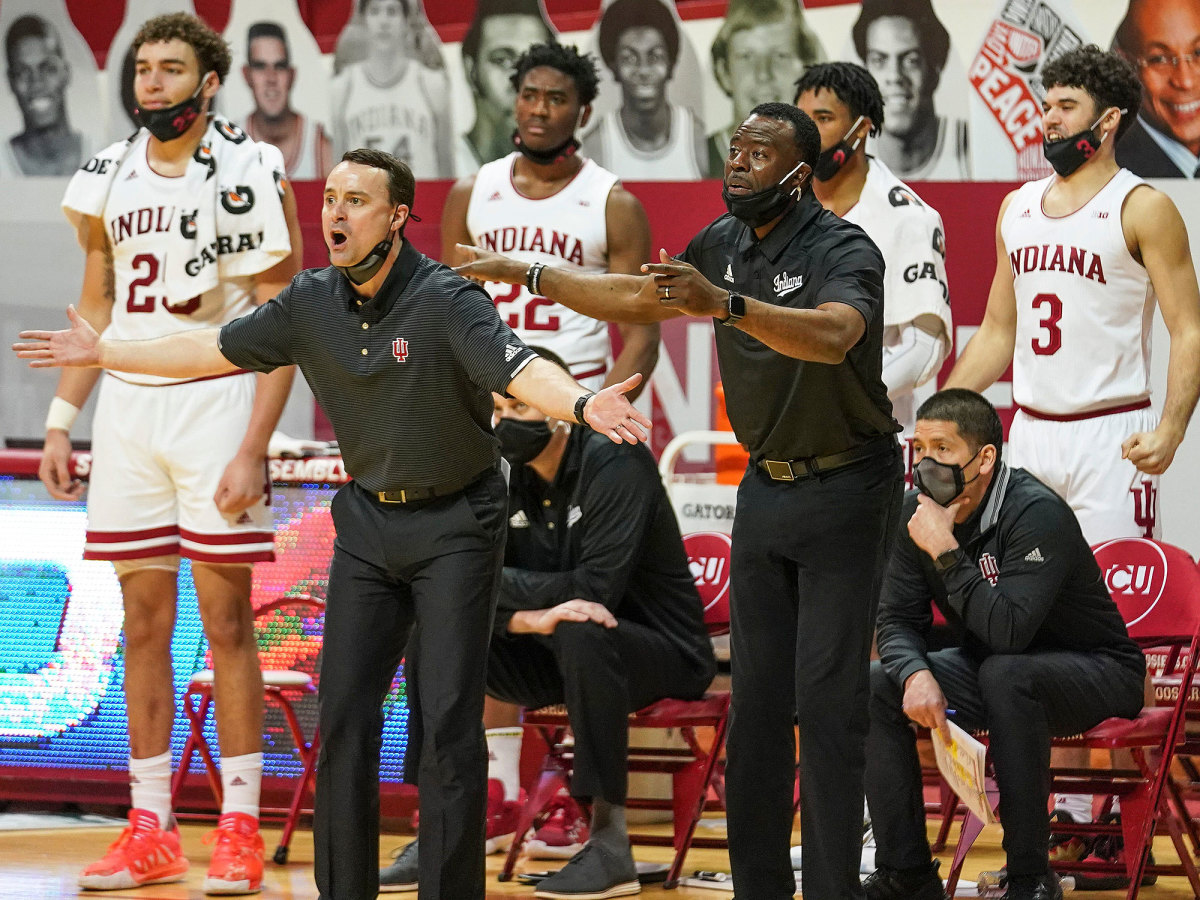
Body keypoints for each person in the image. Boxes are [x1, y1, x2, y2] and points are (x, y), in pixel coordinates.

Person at [16, 148, 651, 900]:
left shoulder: (449, 298)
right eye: (331, 199)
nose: (336, 213)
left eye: (356, 201)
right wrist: (107, 349)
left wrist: (581, 403)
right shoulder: (309, 300)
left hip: (456, 523)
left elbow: (519, 369)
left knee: (448, 720)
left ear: (396, 217)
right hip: (369, 527)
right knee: (344, 717)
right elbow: (211, 347)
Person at [456, 101, 905, 900]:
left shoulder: (844, 245)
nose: (739, 161)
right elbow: (636, 297)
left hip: (847, 483)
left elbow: (837, 334)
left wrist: (723, 305)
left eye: (760, 153)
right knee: (759, 707)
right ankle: (759, 887)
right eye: (735, 148)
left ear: (800, 175)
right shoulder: (721, 243)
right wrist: (526, 273)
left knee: (828, 705)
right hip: (767, 485)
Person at [32, 12, 302, 894]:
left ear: (209, 81)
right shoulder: (105, 173)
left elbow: (279, 317)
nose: (151, 82)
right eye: (143, 69)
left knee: (226, 624)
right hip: (129, 414)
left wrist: (255, 444)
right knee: (141, 626)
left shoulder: (252, 166)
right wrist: (64, 419)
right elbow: (94, 309)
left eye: (170, 68)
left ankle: (237, 828)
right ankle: (147, 825)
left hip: (218, 402)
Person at [945, 43, 1200, 855]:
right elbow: (997, 331)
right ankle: (1037, 806)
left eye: (1064, 106)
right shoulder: (1017, 207)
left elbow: (1189, 327)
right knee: (1011, 620)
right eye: (1045, 103)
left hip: (1108, 432)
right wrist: (944, 416)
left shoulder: (1143, 206)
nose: (1047, 117)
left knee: (1104, 627)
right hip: (1027, 436)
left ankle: (1104, 826)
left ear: (1109, 119)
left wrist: (1169, 426)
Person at [380, 347, 717, 898]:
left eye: (518, 410)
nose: (502, 423)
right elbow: (460, 576)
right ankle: (437, 832)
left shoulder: (615, 457)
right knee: (432, 630)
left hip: (662, 652)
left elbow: (596, 590)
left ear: (558, 409)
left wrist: (524, 606)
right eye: (496, 410)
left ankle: (610, 845)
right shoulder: (499, 472)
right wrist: (529, 621)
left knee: (584, 628)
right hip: (554, 647)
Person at [862, 388, 1145, 900]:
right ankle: (907, 872)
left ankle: (1031, 877)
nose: (926, 463)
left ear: (984, 458)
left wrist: (947, 551)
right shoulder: (914, 514)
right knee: (879, 683)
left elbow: (1010, 632)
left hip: (1098, 669)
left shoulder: (1036, 512)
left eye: (942, 450)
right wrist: (914, 673)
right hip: (999, 667)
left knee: (1006, 673)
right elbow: (895, 618)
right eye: (920, 449)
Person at [444, 41, 659, 399]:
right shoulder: (471, 192)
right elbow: (455, 318)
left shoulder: (613, 204)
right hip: (495, 394)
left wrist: (593, 420)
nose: (539, 110)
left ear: (584, 114)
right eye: (529, 95)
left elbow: (642, 337)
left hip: (577, 390)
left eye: (556, 99)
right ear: (516, 102)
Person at [795, 61, 951, 439]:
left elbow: (923, 350)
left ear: (861, 129)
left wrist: (832, 398)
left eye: (824, 118)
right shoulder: (780, 207)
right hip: (787, 434)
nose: (807, 132)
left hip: (871, 439)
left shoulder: (908, 218)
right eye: (801, 119)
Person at [584, 0, 706, 180]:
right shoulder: (595, 146)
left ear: (671, 65)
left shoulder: (696, 137)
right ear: (614, 67)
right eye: (629, 59)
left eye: (655, 57)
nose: (643, 70)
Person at [330, 0, 452, 178]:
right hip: (366, 200)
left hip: (423, 199)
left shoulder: (431, 83)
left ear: (406, 20)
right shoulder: (342, 87)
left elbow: (446, 165)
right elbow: (338, 170)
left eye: (392, 11)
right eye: (375, 11)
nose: (383, 21)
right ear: (363, 19)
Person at [852, 0, 970, 180]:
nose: (895, 76)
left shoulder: (969, 149)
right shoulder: (847, 154)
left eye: (911, 60)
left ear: (934, 70)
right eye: (879, 61)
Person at [706, 0, 824, 177]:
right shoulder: (697, 159)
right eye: (746, 56)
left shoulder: (830, 162)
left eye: (780, 55)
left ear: (806, 68)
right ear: (724, 72)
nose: (763, 74)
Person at [456, 0, 554, 175]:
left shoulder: (572, 170)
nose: (522, 82)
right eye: (502, 60)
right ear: (471, 71)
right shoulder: (445, 166)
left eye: (536, 62)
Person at [1113, 0, 1200, 179]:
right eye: (1159, 59)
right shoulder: (1110, 171)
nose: (1186, 81)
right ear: (1125, 65)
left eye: (1199, 53)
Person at [241, 21, 333, 181]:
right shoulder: (232, 143)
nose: (271, 78)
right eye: (260, 66)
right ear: (246, 75)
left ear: (292, 75)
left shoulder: (319, 146)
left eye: (279, 66)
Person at [2, 14, 85, 176]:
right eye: (23, 72)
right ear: (11, 81)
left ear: (66, 73)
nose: (37, 83)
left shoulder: (103, 155)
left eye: (48, 69)